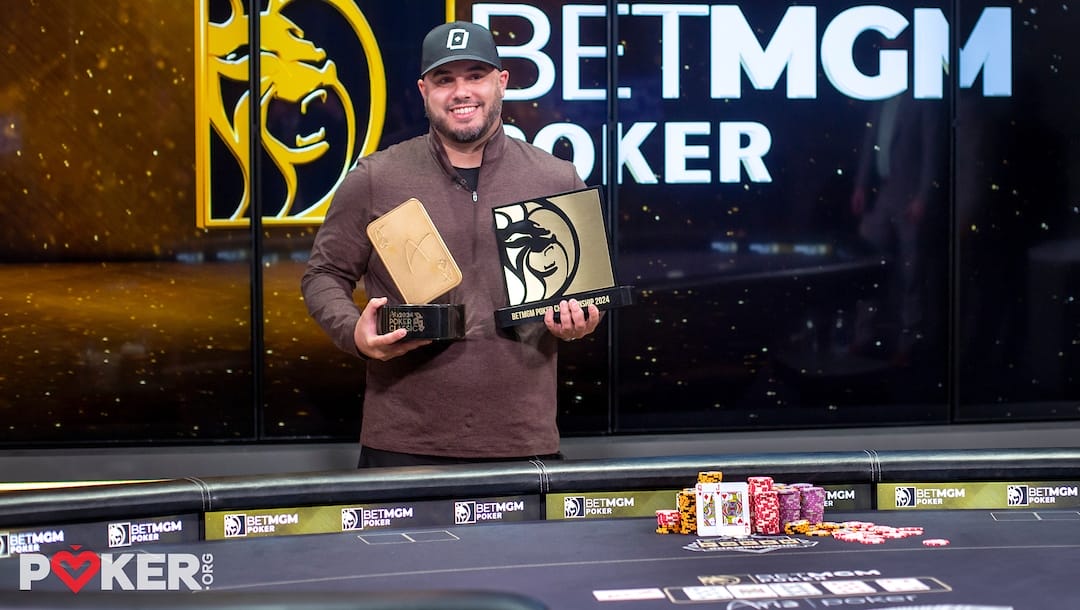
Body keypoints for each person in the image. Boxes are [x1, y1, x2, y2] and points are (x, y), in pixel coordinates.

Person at [300, 21, 600, 468]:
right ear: (424, 90)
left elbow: (584, 294)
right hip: (402, 443)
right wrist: (354, 334)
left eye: (475, 76)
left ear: (501, 82)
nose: (462, 92)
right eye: (445, 79)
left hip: (522, 442)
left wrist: (581, 321)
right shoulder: (375, 178)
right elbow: (323, 275)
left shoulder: (557, 178)